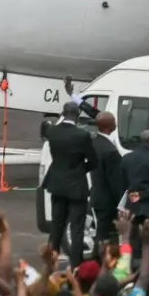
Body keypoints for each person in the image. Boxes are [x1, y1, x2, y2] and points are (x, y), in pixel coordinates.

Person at [44, 100, 98, 267]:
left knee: (57, 225)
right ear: (78, 115)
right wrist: (81, 169)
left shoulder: (52, 132)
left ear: (63, 113)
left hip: (57, 183)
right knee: (77, 228)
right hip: (76, 186)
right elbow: (94, 160)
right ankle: (75, 265)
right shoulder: (82, 136)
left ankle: (51, 259)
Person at [122, 130, 149, 261]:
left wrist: (134, 195)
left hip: (132, 204)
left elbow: (122, 182)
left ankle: (133, 268)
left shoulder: (127, 158)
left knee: (133, 240)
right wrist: (143, 194)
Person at [89, 111, 125, 247]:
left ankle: (100, 260)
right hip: (107, 201)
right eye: (114, 121)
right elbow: (115, 182)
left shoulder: (94, 143)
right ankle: (102, 261)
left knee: (101, 232)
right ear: (109, 125)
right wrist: (121, 204)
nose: (116, 123)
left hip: (97, 195)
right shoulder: (110, 151)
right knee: (107, 235)